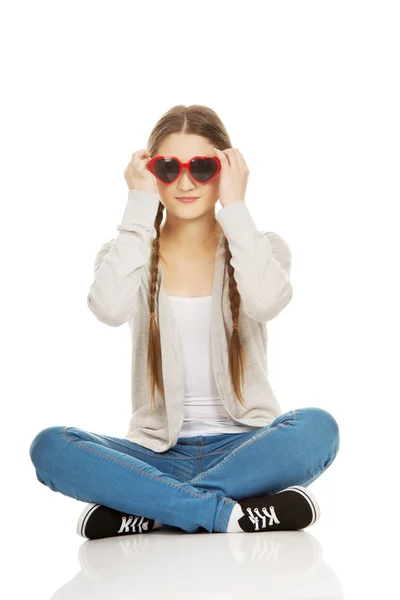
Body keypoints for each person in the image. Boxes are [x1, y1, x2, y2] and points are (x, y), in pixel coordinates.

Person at [29, 104, 340, 539]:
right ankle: (231, 512)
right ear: (150, 173)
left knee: (318, 428)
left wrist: (235, 206)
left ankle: (152, 509)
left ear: (226, 169)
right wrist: (138, 207)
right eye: (168, 167)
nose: (186, 181)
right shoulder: (128, 252)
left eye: (204, 166)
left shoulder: (262, 246)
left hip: (247, 448)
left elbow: (267, 301)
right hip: (156, 454)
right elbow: (108, 309)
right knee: (50, 447)